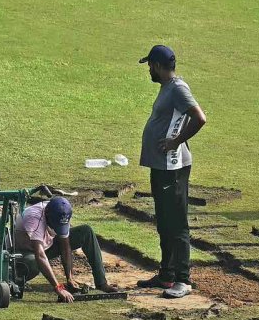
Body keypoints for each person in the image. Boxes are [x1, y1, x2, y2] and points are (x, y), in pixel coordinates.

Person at [135, 45, 207, 299]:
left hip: (173, 167)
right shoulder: (168, 88)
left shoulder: (178, 88)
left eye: (149, 66)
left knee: (177, 224)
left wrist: (175, 142)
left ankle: (183, 279)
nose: (148, 72)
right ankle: (166, 275)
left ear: (156, 65)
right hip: (161, 166)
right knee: (164, 222)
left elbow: (199, 118)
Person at [15, 197, 119, 303]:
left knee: (86, 232)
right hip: (22, 252)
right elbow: (40, 255)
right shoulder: (34, 218)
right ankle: (15, 280)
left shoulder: (62, 212)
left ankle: (101, 283)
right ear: (47, 214)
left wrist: (70, 278)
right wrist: (58, 287)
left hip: (46, 246)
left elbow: (65, 247)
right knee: (33, 262)